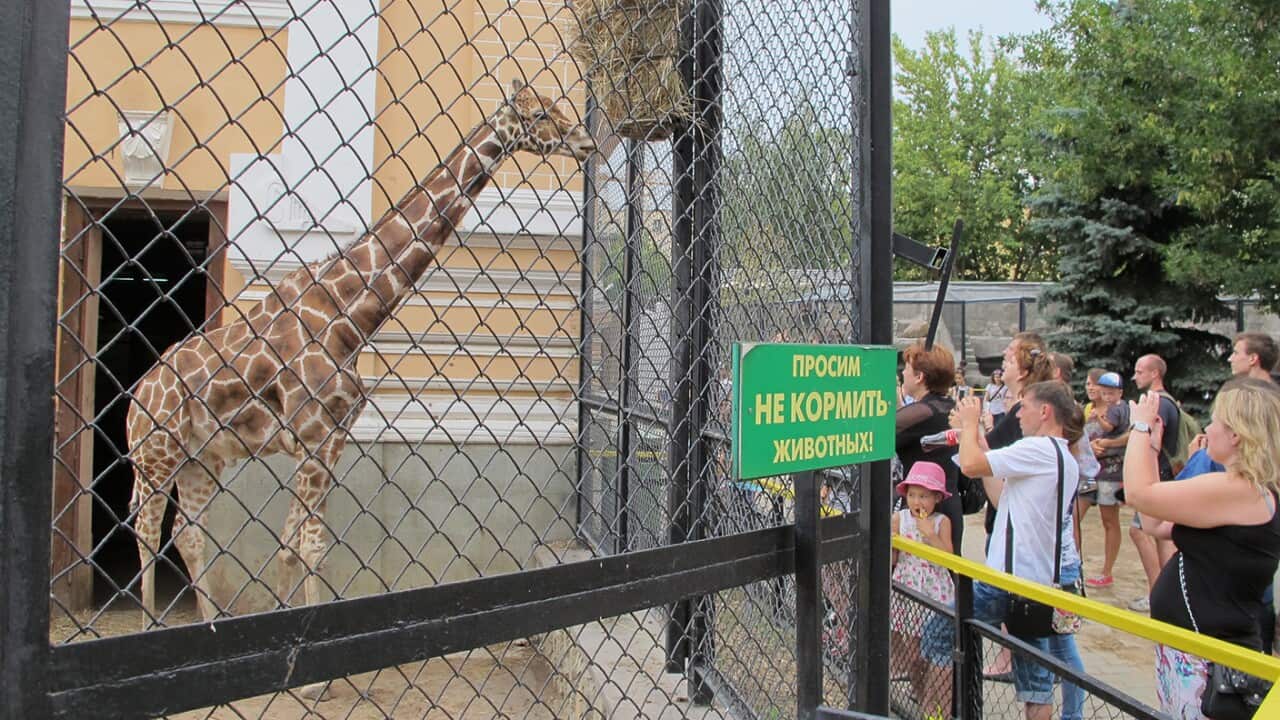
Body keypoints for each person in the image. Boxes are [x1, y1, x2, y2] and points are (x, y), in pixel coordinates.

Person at [924, 382, 1085, 720]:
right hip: (1035, 583)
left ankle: (943, 713)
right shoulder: (1061, 457)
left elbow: (969, 466)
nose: (1018, 414)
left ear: (1045, 412)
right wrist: (976, 436)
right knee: (1035, 683)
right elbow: (999, 497)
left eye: (1023, 407)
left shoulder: (1038, 449)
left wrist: (969, 424)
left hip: (1007, 581)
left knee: (938, 635)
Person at [1123, 379, 1280, 716]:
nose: (1207, 429)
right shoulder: (1237, 489)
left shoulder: (1240, 489)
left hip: (1211, 661)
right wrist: (1151, 447)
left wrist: (1137, 427)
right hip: (1191, 653)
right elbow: (1153, 522)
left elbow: (1138, 494)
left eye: (1215, 421)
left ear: (1236, 434)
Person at [890, 461, 956, 720]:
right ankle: (920, 697)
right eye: (913, 495)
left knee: (934, 652)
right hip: (908, 589)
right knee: (915, 655)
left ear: (937, 498)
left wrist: (930, 535)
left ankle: (932, 706)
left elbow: (949, 558)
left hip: (934, 591)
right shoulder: (899, 518)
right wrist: (893, 543)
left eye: (924, 496)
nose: (918, 501)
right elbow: (894, 557)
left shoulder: (942, 522)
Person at [1125, 354, 1181, 611]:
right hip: (1163, 478)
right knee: (1158, 536)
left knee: (1140, 531)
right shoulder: (1166, 401)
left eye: (1140, 371)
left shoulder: (1158, 403)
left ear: (1155, 374)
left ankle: (1156, 592)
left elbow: (1152, 440)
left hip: (1157, 477)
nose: (1135, 376)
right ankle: (1164, 592)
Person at [895, 342, 963, 551]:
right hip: (945, 501)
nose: (902, 374)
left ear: (919, 377)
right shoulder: (948, 406)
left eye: (906, 369)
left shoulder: (922, 413)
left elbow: (882, 432)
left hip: (924, 507)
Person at [1078, 372, 1128, 589]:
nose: (1090, 388)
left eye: (1094, 384)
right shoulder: (1088, 410)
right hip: (1089, 472)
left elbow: (1128, 436)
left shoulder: (1119, 409)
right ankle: (1074, 566)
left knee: (1109, 520)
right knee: (1074, 515)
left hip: (1110, 471)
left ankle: (1107, 571)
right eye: (1088, 384)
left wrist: (1105, 446)